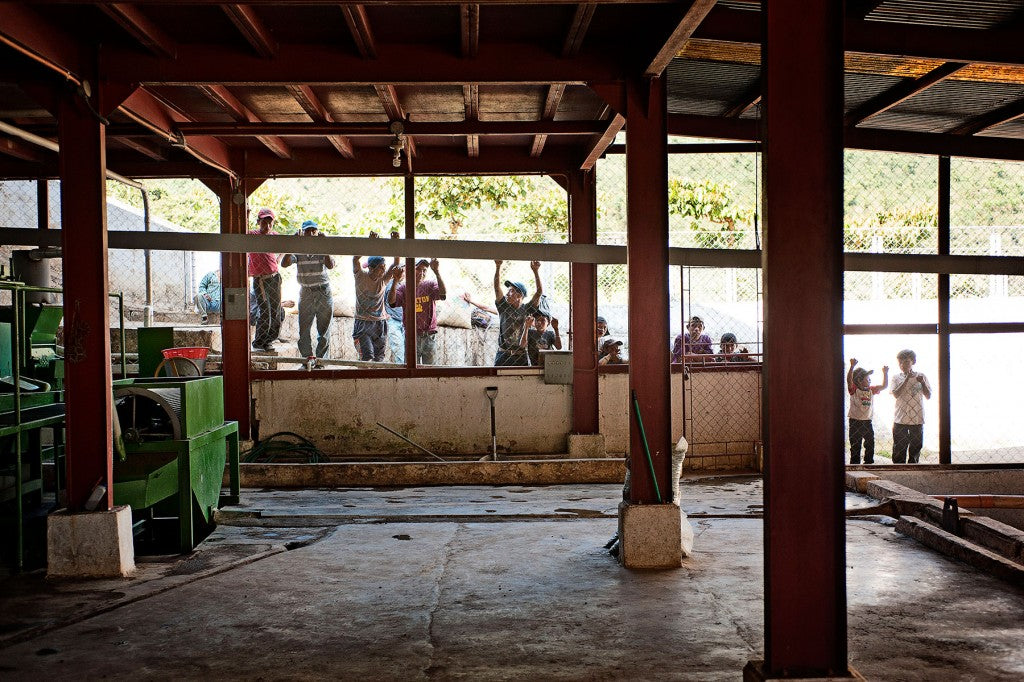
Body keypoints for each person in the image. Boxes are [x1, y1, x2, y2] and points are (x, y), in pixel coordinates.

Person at [281, 220, 335, 368]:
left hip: (323, 291)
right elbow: (284, 263)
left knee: (323, 330)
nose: (311, 233)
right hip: (306, 292)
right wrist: (292, 244)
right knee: (304, 330)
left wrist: (325, 246)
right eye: (307, 231)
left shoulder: (321, 248)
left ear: (317, 232)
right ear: (302, 232)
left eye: (313, 230)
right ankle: (307, 360)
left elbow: (330, 265)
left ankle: (320, 362)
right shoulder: (298, 250)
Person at [352, 232, 400, 362]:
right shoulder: (360, 277)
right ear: (371, 268)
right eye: (380, 268)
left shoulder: (383, 280)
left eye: (384, 268)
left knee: (379, 358)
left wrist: (395, 242)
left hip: (380, 322)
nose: (384, 271)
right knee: (367, 356)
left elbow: (396, 262)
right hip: (363, 322)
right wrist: (369, 243)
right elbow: (355, 259)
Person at [390, 258, 447, 365]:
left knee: (430, 370)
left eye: (424, 270)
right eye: (418, 269)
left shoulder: (430, 285)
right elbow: (392, 303)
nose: (421, 273)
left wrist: (437, 273)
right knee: (410, 367)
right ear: (410, 270)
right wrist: (395, 280)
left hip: (429, 334)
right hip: (412, 335)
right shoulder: (403, 288)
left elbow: (443, 294)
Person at [492, 260, 542, 366]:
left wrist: (536, 271)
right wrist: (497, 266)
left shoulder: (527, 309)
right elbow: (497, 289)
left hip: (520, 355)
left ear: (519, 295)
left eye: (511, 291)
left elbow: (539, 293)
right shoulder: (503, 307)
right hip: (503, 354)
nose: (507, 293)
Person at [249, 207, 283, 351]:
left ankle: (269, 340)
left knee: (276, 310)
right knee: (265, 311)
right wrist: (246, 214)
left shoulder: (274, 236)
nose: (267, 226)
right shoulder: (252, 235)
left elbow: (284, 247)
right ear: (258, 222)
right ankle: (258, 343)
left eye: (270, 223)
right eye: (264, 222)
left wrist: (277, 260)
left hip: (274, 278)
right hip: (260, 280)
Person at [891, 349, 932, 464]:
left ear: (913, 362)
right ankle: (898, 471)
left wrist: (922, 383)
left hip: (917, 417)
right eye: (900, 362)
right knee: (899, 448)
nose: (902, 365)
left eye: (906, 362)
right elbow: (895, 394)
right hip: (900, 418)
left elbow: (928, 395)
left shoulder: (921, 376)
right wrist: (907, 379)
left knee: (915, 448)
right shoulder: (896, 377)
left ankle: (913, 469)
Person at [846, 358, 889, 465]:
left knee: (870, 443)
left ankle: (868, 463)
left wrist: (885, 373)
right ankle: (855, 464)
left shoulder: (871, 390)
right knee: (855, 445)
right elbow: (849, 380)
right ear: (860, 380)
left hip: (867, 422)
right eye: (867, 379)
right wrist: (852, 367)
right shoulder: (854, 390)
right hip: (855, 421)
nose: (870, 381)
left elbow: (884, 386)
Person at [384, 264, 405, 364]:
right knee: (398, 348)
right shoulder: (389, 284)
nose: (403, 274)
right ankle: (401, 371)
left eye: (404, 271)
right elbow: (382, 300)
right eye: (401, 271)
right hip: (393, 320)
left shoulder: (403, 285)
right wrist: (385, 314)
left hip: (403, 320)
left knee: (405, 348)